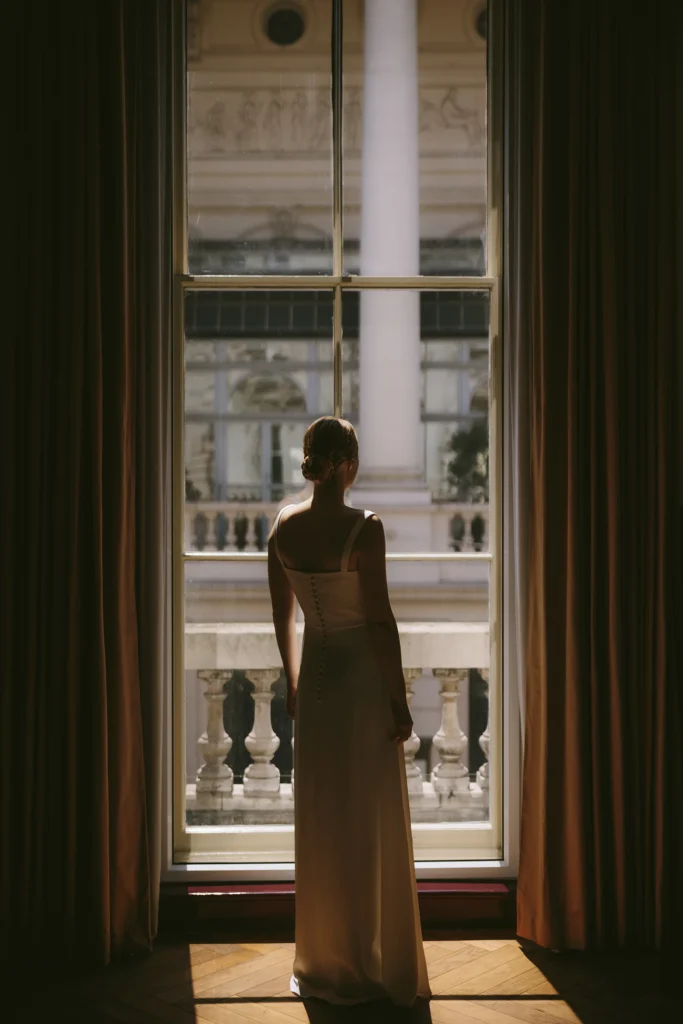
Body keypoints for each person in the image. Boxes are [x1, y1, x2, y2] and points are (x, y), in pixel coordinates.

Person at [267, 416, 432, 1008]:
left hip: (314, 679)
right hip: (362, 682)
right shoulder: (364, 529)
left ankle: (323, 957)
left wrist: (291, 685)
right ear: (346, 465)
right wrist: (398, 700)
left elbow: (283, 618)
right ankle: (369, 959)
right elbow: (381, 621)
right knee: (367, 817)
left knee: (323, 818)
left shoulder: (284, 526)